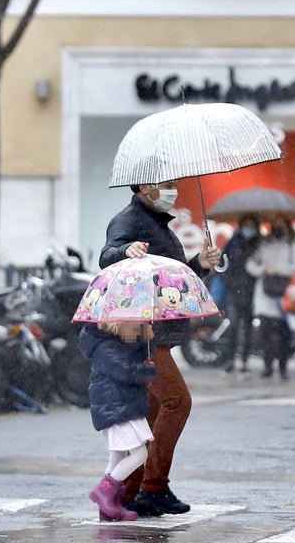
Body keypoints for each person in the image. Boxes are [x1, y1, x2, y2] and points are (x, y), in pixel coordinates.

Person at [99, 179, 222, 517]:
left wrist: (200, 265)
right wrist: (124, 251)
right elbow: (107, 255)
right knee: (176, 402)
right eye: (165, 185)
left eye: (173, 185)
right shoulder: (129, 220)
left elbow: (171, 280)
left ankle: (130, 490)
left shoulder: (157, 223)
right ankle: (153, 487)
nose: (173, 191)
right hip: (142, 336)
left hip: (158, 333)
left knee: (152, 413)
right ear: (143, 188)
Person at [79, 321, 157, 522]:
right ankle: (104, 492)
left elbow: (137, 358)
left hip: (122, 405)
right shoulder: (105, 347)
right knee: (140, 453)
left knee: (118, 456)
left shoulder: (117, 341)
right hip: (117, 408)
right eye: (134, 328)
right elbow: (126, 370)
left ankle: (107, 506)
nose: (136, 332)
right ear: (118, 326)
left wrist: (147, 337)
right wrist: (147, 371)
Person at [245, 217, 295, 380]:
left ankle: (283, 366)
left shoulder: (294, 246)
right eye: (275, 225)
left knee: (284, 333)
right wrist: (264, 268)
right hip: (265, 294)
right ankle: (267, 366)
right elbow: (251, 266)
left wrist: (279, 269)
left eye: (282, 225)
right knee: (265, 332)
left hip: (285, 296)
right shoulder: (264, 246)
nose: (278, 228)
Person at [218, 214, 262, 374]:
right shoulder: (234, 241)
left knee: (248, 327)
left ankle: (244, 361)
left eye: (252, 225)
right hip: (233, 290)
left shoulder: (260, 243)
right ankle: (230, 359)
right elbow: (224, 262)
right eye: (246, 224)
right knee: (233, 324)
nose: (249, 228)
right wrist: (228, 279)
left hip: (252, 291)